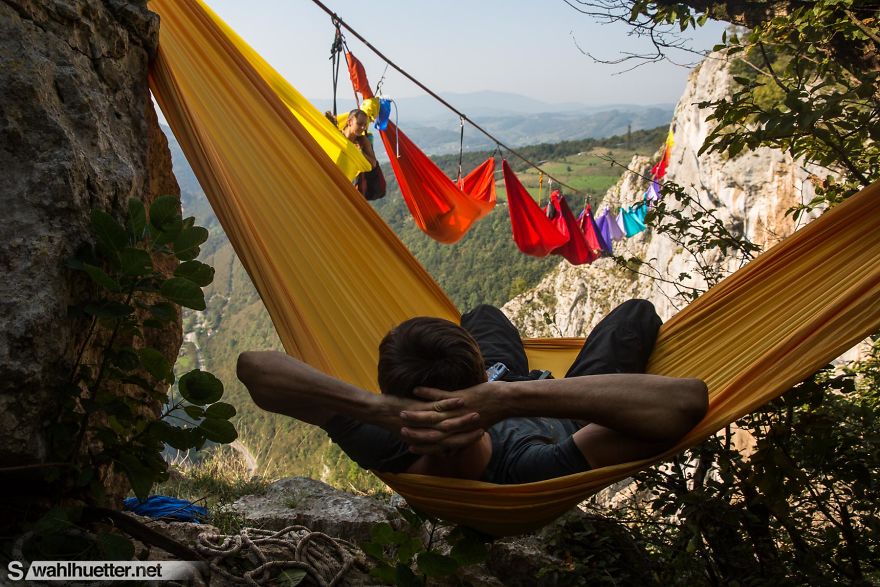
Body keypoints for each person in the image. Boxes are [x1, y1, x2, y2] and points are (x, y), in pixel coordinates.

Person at [237, 300, 708, 484]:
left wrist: (376, 409)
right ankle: (504, 374)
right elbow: (686, 400)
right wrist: (507, 398)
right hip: (560, 398)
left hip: (498, 381)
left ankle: (496, 364)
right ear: (480, 373)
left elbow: (254, 368)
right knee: (635, 315)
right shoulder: (529, 466)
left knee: (483, 314)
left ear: (389, 391)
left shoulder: (383, 440)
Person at [330, 108, 386, 200]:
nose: (363, 128)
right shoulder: (338, 135)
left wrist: (361, 152)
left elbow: (373, 163)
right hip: (331, 178)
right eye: (359, 124)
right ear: (349, 122)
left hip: (347, 184)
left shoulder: (362, 141)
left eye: (365, 125)